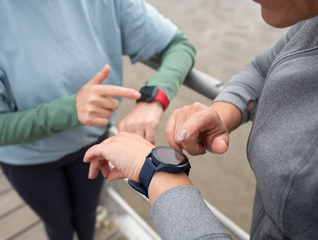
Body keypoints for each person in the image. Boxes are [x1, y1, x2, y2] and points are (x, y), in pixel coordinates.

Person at [0, 1, 195, 240]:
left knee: (87, 216)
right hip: (28, 159)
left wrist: (152, 99)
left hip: (94, 143)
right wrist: (70, 110)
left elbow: (179, 45)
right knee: (58, 227)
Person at [83, 0, 318, 239]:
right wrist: (219, 114)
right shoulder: (311, 24)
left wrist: (154, 172)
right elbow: (260, 69)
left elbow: (179, 46)